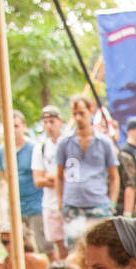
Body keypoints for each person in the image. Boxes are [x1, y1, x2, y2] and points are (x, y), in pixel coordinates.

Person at [56, 95, 119, 248]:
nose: (78, 118)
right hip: (73, 205)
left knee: (101, 249)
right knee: (75, 250)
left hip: (98, 204)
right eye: (74, 113)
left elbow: (114, 176)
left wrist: (112, 203)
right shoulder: (64, 143)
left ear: (90, 111)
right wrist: (60, 203)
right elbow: (58, 176)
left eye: (82, 113)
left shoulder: (104, 142)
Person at [0, 110, 46, 254]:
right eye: (8, 126)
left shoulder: (34, 148)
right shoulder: (1, 151)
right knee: (19, 247)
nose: (12, 130)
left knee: (44, 246)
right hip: (16, 206)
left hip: (36, 205)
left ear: (23, 126)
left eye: (15, 126)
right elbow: (4, 175)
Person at [32, 105, 69, 260]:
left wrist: (53, 177)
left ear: (60, 122)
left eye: (52, 121)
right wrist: (58, 178)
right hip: (50, 203)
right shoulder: (41, 148)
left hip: (70, 202)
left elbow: (72, 178)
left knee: (75, 245)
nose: (49, 126)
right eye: (45, 122)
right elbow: (38, 180)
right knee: (58, 248)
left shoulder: (69, 144)